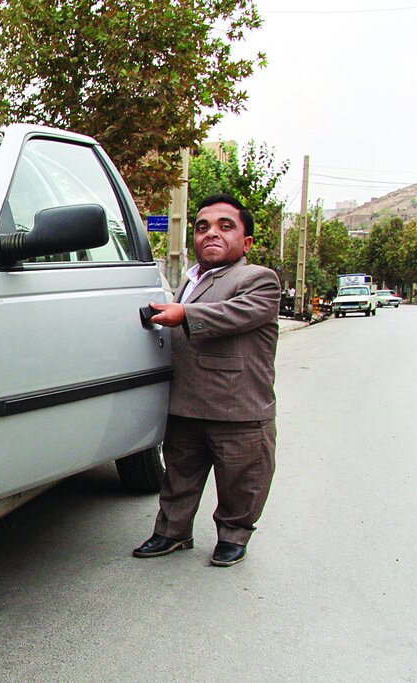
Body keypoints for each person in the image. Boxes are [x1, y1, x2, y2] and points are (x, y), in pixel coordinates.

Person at [133, 194, 280, 567]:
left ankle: (233, 535)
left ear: (246, 243)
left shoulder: (258, 279)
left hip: (237, 407)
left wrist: (184, 313)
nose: (210, 233)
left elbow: (235, 314)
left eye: (224, 226)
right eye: (202, 227)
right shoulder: (189, 280)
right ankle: (172, 532)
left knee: (241, 481)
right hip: (185, 403)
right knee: (178, 477)